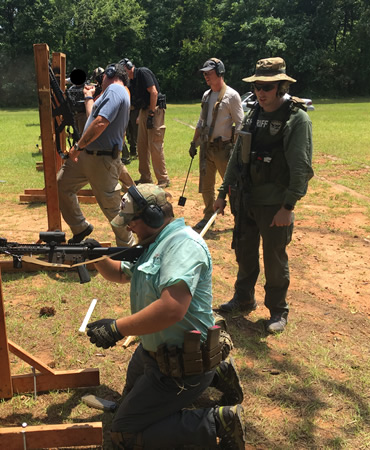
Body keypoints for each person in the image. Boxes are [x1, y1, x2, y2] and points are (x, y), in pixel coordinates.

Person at [85, 184, 246, 449]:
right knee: (127, 402)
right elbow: (121, 273)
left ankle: (216, 422)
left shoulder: (182, 246)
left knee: (124, 433)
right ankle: (219, 372)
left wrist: (117, 328)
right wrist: (97, 256)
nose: (127, 228)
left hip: (183, 364)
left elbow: (172, 308)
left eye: (131, 221)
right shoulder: (153, 242)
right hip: (158, 352)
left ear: (153, 217)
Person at [214, 57, 314, 334]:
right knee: (244, 252)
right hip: (246, 198)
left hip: (274, 203)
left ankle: (278, 310)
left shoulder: (296, 118)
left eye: (267, 87)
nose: (261, 92)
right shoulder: (253, 113)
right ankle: (244, 297)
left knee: (274, 258)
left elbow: (301, 167)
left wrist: (288, 206)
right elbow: (237, 156)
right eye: (258, 86)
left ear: (281, 86)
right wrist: (223, 192)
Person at [57, 63, 135, 246]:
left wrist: (77, 146)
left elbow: (100, 123)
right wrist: (89, 97)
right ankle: (80, 227)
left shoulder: (115, 89)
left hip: (102, 158)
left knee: (113, 209)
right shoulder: (110, 93)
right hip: (89, 155)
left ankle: (129, 248)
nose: (100, 82)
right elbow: (93, 116)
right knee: (62, 185)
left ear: (110, 74)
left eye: (102, 79)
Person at [189, 58, 244, 232]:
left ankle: (240, 217)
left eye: (209, 73)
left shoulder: (232, 96)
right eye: (204, 74)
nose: (206, 76)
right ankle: (207, 217)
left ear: (219, 73)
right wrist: (194, 142)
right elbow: (201, 122)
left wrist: (236, 149)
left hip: (223, 148)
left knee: (230, 185)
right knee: (206, 185)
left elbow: (240, 123)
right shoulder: (206, 95)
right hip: (207, 147)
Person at [120, 58, 170, 188]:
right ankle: (145, 177)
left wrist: (151, 113)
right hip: (143, 111)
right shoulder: (130, 82)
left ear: (129, 67)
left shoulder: (142, 73)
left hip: (155, 109)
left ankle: (163, 179)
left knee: (155, 145)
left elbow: (154, 92)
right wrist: (141, 116)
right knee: (141, 146)